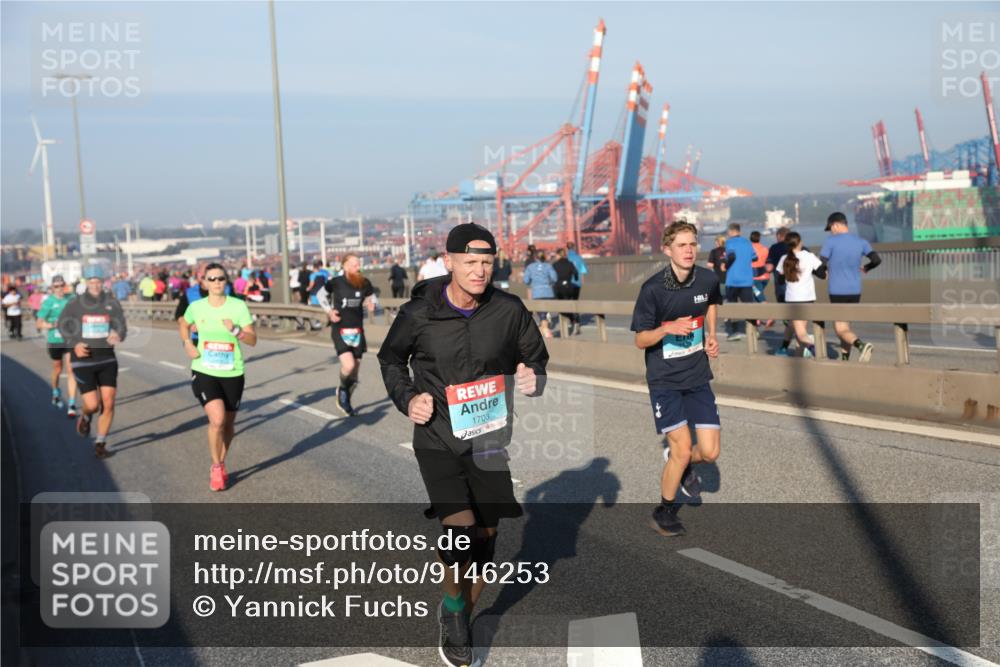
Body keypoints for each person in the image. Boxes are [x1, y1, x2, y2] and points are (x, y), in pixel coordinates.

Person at [378, 222, 548, 667]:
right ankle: (454, 615)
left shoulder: (508, 310)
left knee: (487, 539)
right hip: (437, 436)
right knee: (461, 532)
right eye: (470, 262)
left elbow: (536, 356)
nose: (479, 271)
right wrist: (407, 397)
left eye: (487, 263)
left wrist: (534, 377)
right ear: (449, 261)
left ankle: (460, 610)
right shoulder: (419, 313)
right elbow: (391, 358)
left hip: (489, 439)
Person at [631, 221, 722, 538]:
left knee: (709, 453)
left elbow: (710, 302)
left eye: (692, 244)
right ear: (667, 250)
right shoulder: (654, 289)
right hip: (665, 382)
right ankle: (663, 512)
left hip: (697, 377)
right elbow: (641, 340)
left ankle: (681, 464)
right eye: (682, 245)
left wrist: (710, 335)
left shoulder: (708, 279)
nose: (688, 250)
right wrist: (666, 329)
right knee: (683, 449)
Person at [179, 263, 257, 492]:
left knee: (229, 424)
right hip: (204, 370)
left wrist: (236, 332)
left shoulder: (238, 306)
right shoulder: (197, 307)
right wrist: (187, 344)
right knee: (217, 420)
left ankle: (221, 462)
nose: (216, 282)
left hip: (233, 372)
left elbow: (253, 340)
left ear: (227, 281)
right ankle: (215, 466)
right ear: (203, 282)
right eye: (211, 279)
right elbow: (183, 324)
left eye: (220, 278)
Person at [57, 266, 127, 459]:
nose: (95, 285)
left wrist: (118, 333)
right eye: (91, 282)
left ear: (103, 282)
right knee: (93, 404)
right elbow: (62, 325)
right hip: (83, 360)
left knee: (109, 402)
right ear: (86, 283)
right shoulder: (75, 304)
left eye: (98, 282)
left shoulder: (111, 303)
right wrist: (74, 344)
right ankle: (86, 416)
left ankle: (100, 444)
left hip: (107, 358)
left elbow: (121, 324)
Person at [317, 253, 375, 416]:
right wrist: (329, 311)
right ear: (345, 266)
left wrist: (372, 304)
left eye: (359, 264)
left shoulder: (364, 283)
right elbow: (320, 295)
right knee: (348, 365)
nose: (358, 268)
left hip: (357, 330)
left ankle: (346, 397)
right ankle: (342, 390)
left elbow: (372, 297)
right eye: (355, 265)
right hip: (340, 328)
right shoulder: (336, 282)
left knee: (355, 373)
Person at [819, 212, 881, 362]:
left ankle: (861, 345)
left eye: (831, 228)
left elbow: (822, 263)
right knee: (845, 327)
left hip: (837, 291)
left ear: (837, 225)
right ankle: (845, 359)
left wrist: (822, 273)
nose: (831, 231)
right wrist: (866, 268)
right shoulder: (861, 242)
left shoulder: (831, 242)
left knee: (840, 329)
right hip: (855, 291)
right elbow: (876, 259)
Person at [774, 232, 824, 357]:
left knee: (800, 333)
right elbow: (822, 272)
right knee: (799, 330)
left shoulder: (784, 258)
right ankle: (797, 356)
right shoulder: (809, 256)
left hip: (792, 299)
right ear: (800, 242)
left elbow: (779, 279)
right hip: (808, 298)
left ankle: (812, 348)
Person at [36, 276, 79, 417]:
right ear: (52, 288)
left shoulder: (72, 298)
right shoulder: (48, 302)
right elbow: (39, 323)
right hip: (55, 340)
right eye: (56, 286)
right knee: (57, 368)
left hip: (70, 339)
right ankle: (55, 390)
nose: (60, 288)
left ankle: (72, 404)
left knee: (71, 369)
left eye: (62, 285)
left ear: (65, 285)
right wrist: (53, 325)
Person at [723, 223, 755, 341]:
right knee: (749, 307)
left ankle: (735, 332)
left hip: (733, 280)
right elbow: (754, 257)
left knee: (732, 307)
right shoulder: (747, 242)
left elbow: (731, 256)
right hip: (747, 280)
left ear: (731, 231)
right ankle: (752, 331)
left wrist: (726, 266)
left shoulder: (729, 242)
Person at [523, 249, 558, 338]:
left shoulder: (530, 267)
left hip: (537, 292)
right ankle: (543, 331)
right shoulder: (548, 266)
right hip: (548, 292)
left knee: (541, 314)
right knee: (543, 313)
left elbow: (526, 280)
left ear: (535, 257)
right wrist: (549, 283)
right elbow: (554, 278)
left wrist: (533, 282)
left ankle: (546, 332)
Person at [552, 248, 580, 335]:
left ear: (559, 255)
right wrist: (575, 278)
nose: (555, 257)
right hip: (569, 287)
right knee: (569, 305)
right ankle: (575, 321)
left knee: (561, 308)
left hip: (559, 288)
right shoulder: (570, 263)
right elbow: (576, 273)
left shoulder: (555, 265)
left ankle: (572, 321)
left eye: (556, 255)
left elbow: (552, 276)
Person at [764, 227, 790, 304]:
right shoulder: (796, 247)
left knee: (782, 308)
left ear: (779, 235)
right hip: (797, 284)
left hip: (780, 282)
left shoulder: (774, 248)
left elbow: (769, 267)